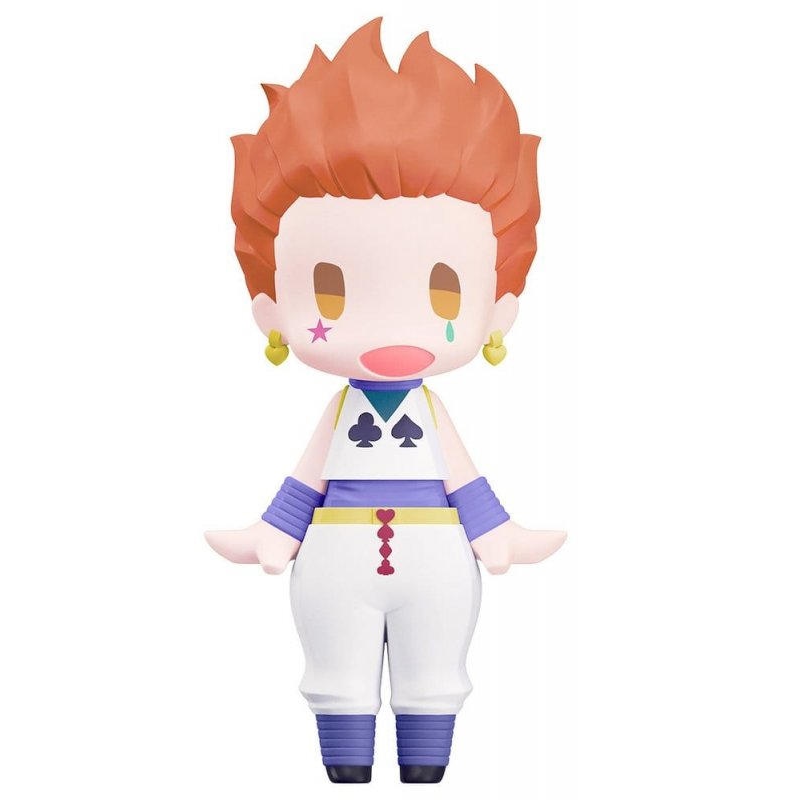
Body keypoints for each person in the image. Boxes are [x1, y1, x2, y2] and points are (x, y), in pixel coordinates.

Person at [206, 17, 566, 784]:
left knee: (436, 671)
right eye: (329, 289)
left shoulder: (432, 418)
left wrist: (498, 534)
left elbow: (466, 482)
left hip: (436, 565)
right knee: (335, 670)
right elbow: (305, 482)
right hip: (334, 566)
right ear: (270, 309)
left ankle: (428, 749)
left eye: (445, 290)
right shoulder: (340, 417)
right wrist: (272, 533)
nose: (392, 329)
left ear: (499, 308)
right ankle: (344, 750)